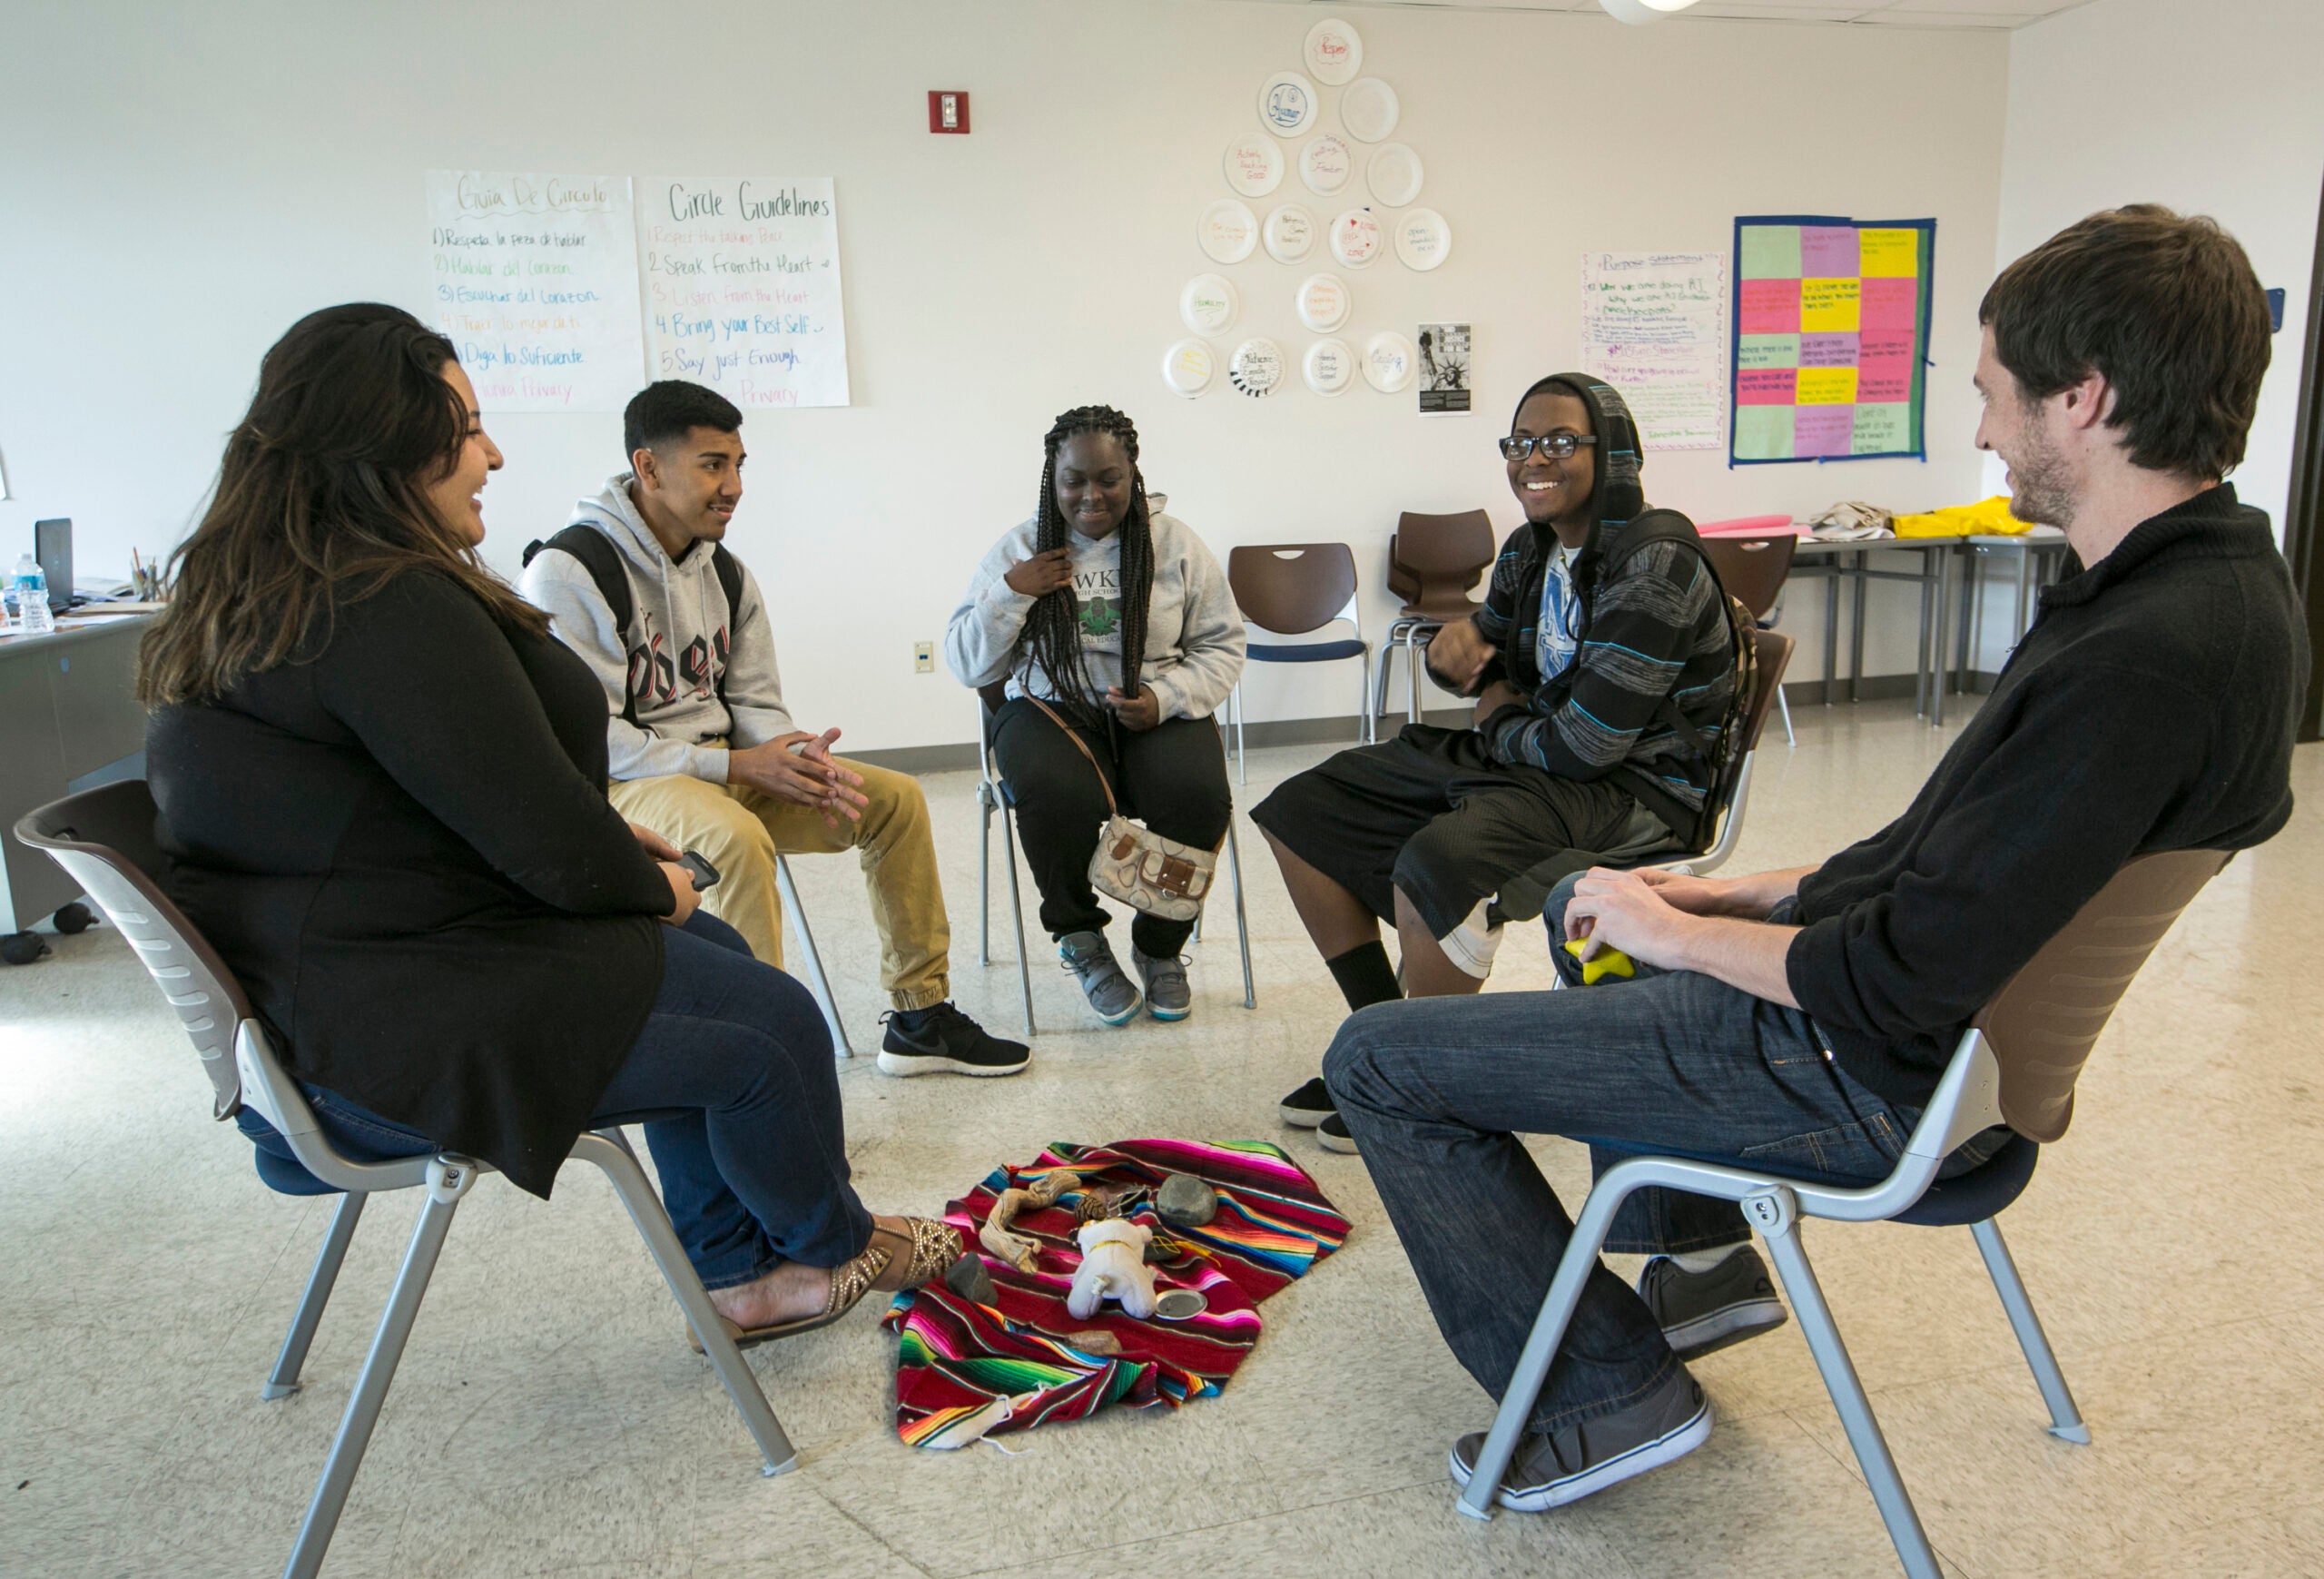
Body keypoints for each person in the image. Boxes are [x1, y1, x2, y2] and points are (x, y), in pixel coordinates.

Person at [1323, 205, 2304, 1512]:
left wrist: (1676, 933)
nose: (1982, 432)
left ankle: (1599, 1393)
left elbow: (1898, 971)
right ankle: (1704, 1263)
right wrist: (1730, 889)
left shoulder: (2139, 657)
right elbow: (1946, 859)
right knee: (1593, 921)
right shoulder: (2210, 597)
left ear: (2087, 398)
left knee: (1380, 1060)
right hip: (1940, 1065)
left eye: (1996, 397)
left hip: (1864, 1076)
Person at [141, 306, 960, 1347]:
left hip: (356, 980)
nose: (492, 452)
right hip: (389, 1035)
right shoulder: (383, 605)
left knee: (709, 957)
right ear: (385, 440)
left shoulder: (293, 588)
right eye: (468, 425)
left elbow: (451, 799)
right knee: (771, 1026)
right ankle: (831, 1246)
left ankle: (741, 1268)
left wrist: (624, 859)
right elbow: (542, 837)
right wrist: (638, 876)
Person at [1253, 375, 1738, 1151]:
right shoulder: (1530, 549)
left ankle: (1429, 1083)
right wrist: (1458, 660)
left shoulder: (1656, 566)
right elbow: (1485, 657)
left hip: (1638, 788)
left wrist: (1498, 710)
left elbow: (1586, 746)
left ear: (1609, 453)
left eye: (1558, 442)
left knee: (1439, 857)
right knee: (1302, 808)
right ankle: (1383, 1041)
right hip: (1539, 760)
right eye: (1520, 444)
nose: (1532, 460)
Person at [519, 380, 1027, 1080]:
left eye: (738, 463)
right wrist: (737, 768)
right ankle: (759, 1056)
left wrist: (791, 752)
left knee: (896, 800)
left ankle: (919, 1016)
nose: (733, 486)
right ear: (648, 467)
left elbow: (753, 699)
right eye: (712, 464)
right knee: (735, 838)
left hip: (724, 763)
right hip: (628, 786)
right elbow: (593, 738)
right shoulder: (569, 571)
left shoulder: (725, 571)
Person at [945, 405, 1246, 1024]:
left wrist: (1165, 698)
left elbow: (1222, 645)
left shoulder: (1175, 544)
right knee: (1057, 794)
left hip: (1152, 702)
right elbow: (968, 663)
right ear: (1051, 481)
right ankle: (1081, 940)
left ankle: (1159, 944)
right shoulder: (1021, 547)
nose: (1090, 495)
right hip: (1049, 707)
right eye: (1073, 480)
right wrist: (1012, 592)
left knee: (1197, 796)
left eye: (1108, 477)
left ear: (1133, 473)